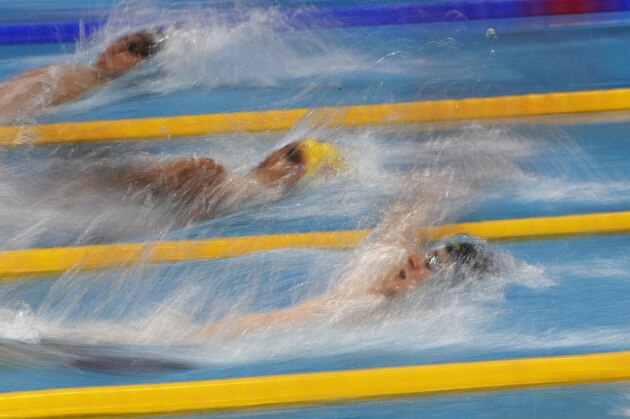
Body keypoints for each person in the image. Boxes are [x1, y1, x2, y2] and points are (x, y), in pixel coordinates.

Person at [197, 235, 496, 339]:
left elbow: (269, 323)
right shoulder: (375, 305)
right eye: (427, 254)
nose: (414, 259)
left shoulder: (370, 307)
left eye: (430, 265)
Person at [106, 138, 346, 222]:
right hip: (220, 195)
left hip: (213, 183)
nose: (274, 153)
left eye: (287, 151)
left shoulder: (286, 170)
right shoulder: (283, 190)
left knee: (115, 183)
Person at [0, 31, 164, 123]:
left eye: (131, 48)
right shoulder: (79, 75)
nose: (113, 48)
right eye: (120, 40)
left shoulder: (76, 76)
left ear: (141, 61)